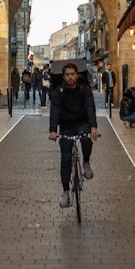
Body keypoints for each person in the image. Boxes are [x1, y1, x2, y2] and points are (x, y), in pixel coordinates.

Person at [49, 61, 99, 208]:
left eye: (72, 74)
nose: (70, 77)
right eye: (67, 75)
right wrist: (53, 130)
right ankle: (65, 191)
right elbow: (55, 111)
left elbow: (90, 107)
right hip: (66, 126)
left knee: (86, 139)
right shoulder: (59, 92)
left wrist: (93, 127)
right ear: (63, 77)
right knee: (65, 158)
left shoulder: (84, 89)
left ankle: (86, 162)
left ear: (77, 76)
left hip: (82, 122)